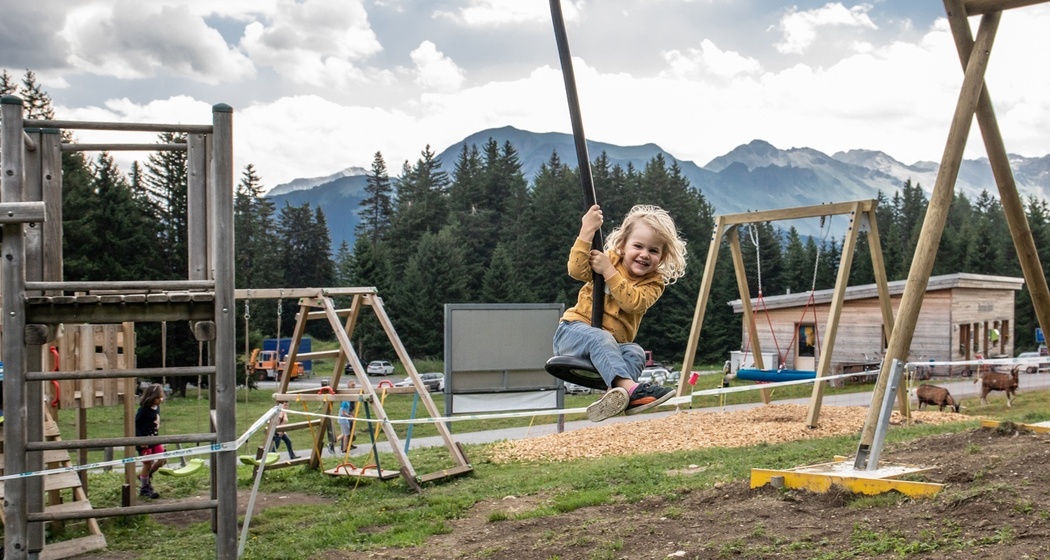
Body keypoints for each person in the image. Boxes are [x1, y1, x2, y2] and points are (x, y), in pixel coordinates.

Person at [554, 204, 688, 422]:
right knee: (601, 336)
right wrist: (587, 230)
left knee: (635, 352)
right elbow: (576, 270)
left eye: (653, 251)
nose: (645, 255)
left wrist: (608, 272)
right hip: (573, 334)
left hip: (610, 347)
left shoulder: (653, 283)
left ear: (662, 257)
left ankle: (617, 395)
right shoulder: (610, 259)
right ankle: (630, 391)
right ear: (623, 245)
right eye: (638, 246)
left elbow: (633, 303)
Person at [135, 383, 168, 499]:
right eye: (158, 397)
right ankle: (144, 488)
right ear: (151, 397)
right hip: (144, 441)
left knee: (163, 459)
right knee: (147, 464)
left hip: (155, 439)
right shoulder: (143, 410)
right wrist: (140, 440)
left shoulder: (156, 407)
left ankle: (145, 476)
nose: (161, 399)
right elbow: (136, 424)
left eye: (161, 397)